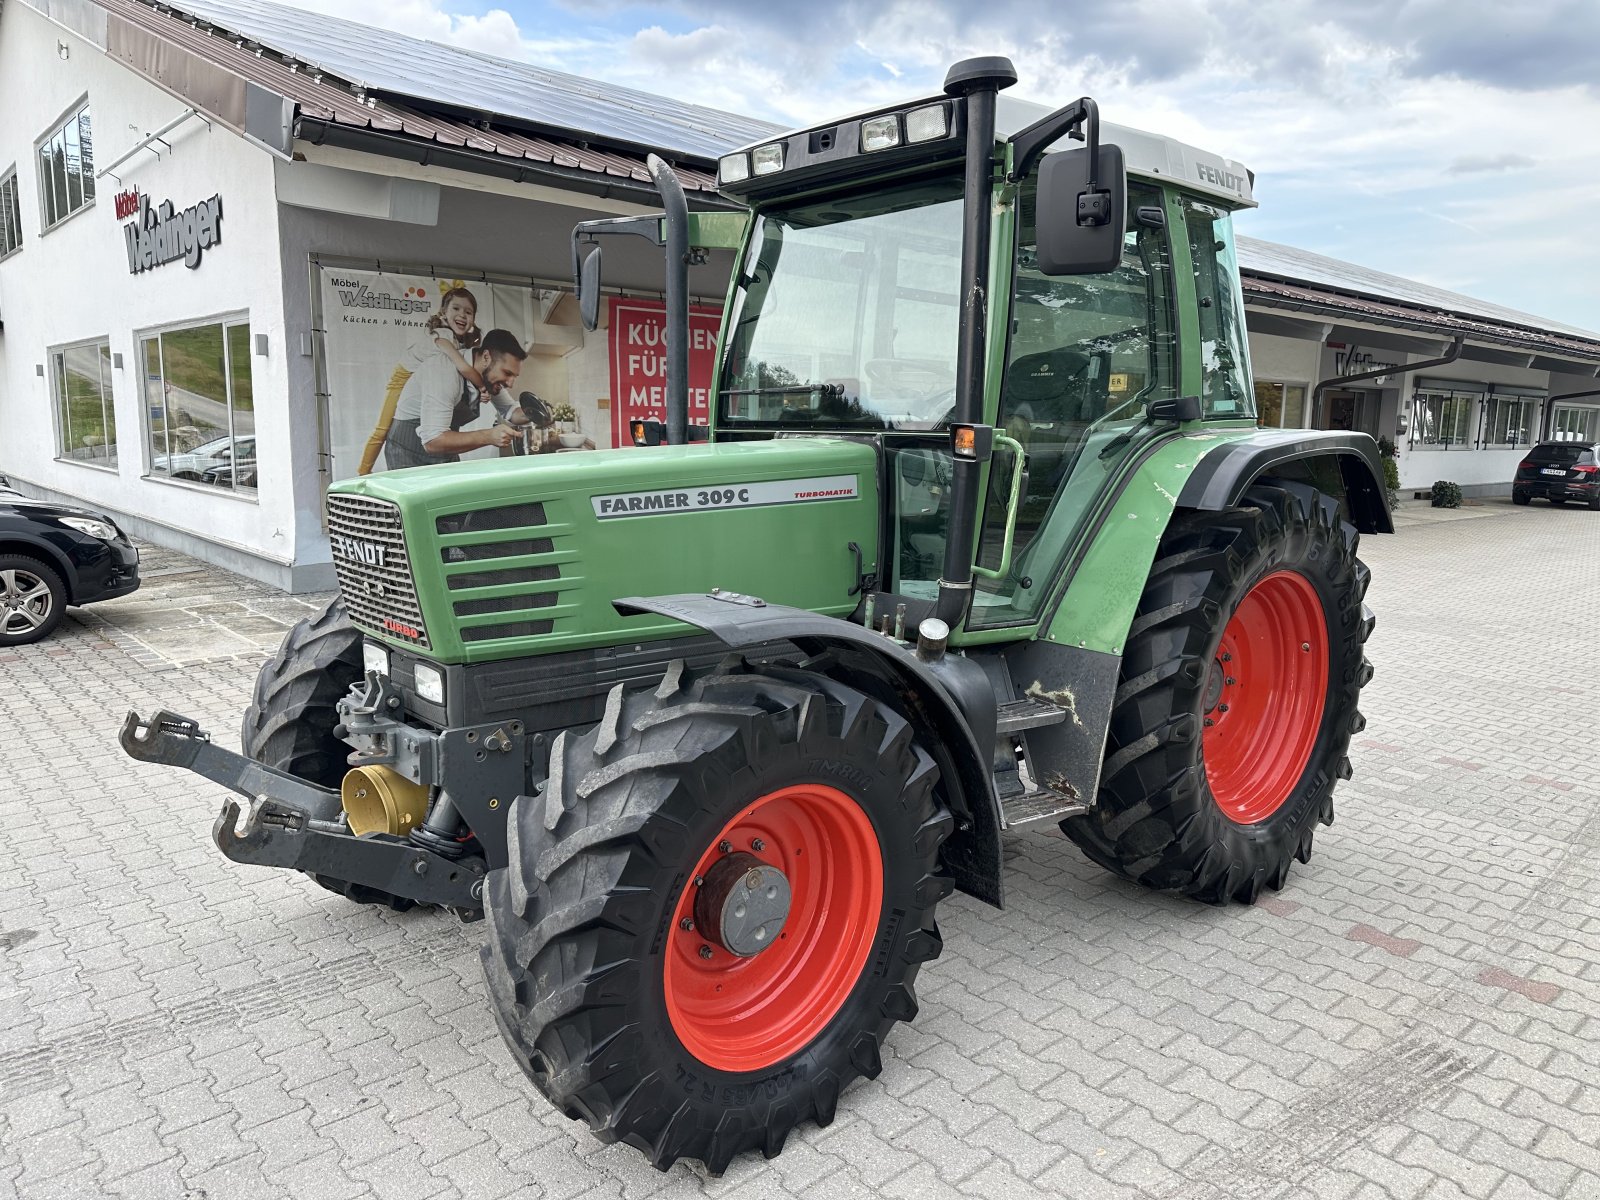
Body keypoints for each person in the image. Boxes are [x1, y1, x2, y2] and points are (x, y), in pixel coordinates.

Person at [358, 286, 489, 475]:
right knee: (382, 429)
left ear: (473, 320)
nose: (462, 315)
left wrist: (478, 394)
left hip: (416, 385)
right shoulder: (444, 336)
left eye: (468, 312)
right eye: (456, 309)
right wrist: (483, 386)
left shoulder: (459, 343)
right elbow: (464, 368)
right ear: (443, 312)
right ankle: (362, 474)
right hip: (402, 378)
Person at [383, 329, 528, 470]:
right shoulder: (443, 371)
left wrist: (539, 412)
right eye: (507, 373)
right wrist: (489, 436)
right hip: (408, 454)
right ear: (486, 357)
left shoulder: (488, 377)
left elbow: (510, 410)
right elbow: (432, 441)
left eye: (514, 376)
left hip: (444, 452)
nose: (510, 384)